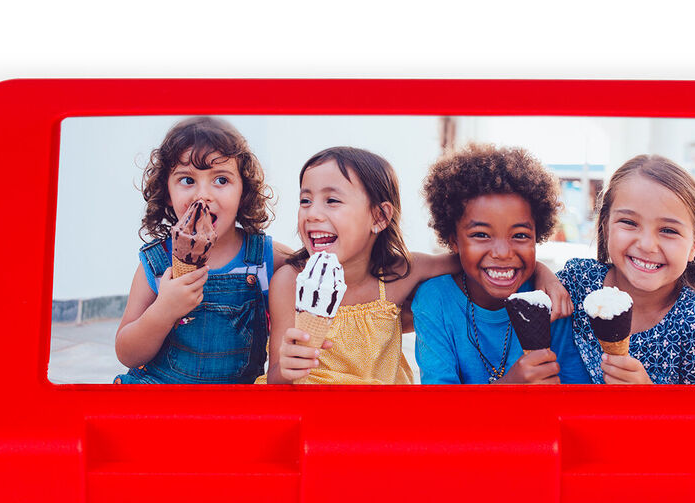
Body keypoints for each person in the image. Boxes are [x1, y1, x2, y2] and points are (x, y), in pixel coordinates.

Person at [260, 146, 572, 385]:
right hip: (316, 421)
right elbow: (276, 380)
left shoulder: (399, 274)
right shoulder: (290, 281)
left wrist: (544, 274)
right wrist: (286, 369)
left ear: (380, 217)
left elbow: (474, 259)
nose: (313, 213)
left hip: (386, 421)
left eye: (331, 200)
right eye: (305, 200)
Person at [113, 116, 292, 384]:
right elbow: (127, 354)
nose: (202, 195)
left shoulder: (265, 259)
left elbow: (317, 267)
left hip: (232, 405)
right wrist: (163, 310)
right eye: (187, 180)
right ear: (167, 191)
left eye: (221, 180)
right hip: (161, 393)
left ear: (243, 191)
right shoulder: (158, 262)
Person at [411, 143, 589, 384]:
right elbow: (440, 412)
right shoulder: (435, 300)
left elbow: (575, 391)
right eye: (481, 235)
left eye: (520, 236)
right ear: (453, 240)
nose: (503, 253)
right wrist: (508, 389)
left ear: (538, 237)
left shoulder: (550, 299)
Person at [558, 154, 695, 385]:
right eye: (629, 222)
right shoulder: (577, 282)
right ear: (605, 226)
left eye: (668, 230)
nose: (646, 244)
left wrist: (649, 398)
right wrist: (539, 273)